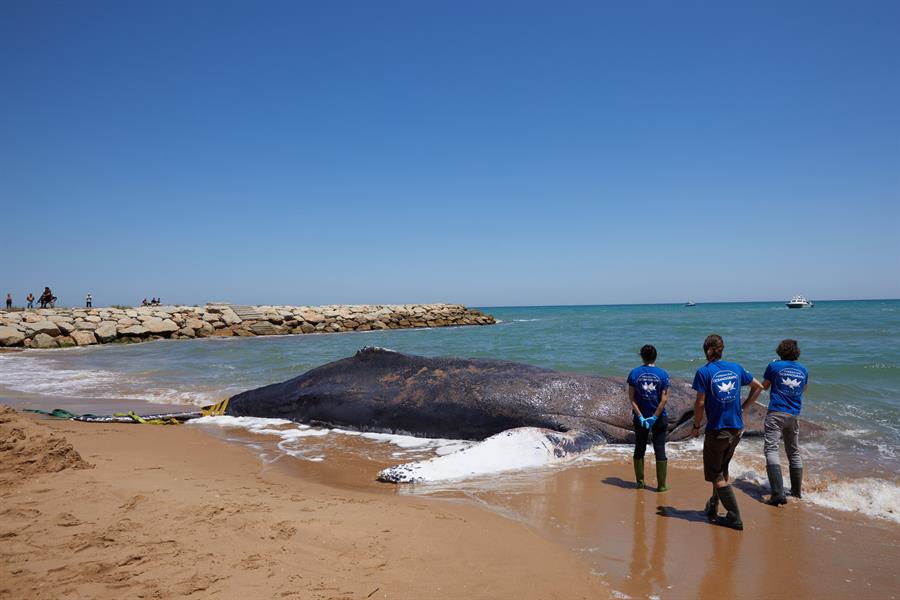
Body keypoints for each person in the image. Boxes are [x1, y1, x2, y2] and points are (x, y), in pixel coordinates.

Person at [690, 334, 763, 531]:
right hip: (737, 429)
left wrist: (696, 426)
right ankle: (714, 504)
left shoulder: (704, 372)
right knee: (722, 469)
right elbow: (759, 386)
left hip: (718, 429)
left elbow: (700, 402)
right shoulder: (736, 368)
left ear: (707, 351)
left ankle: (734, 516)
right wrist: (744, 407)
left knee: (714, 474)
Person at [761, 339, 809, 506]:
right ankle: (796, 492)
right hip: (794, 414)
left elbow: (764, 386)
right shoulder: (803, 369)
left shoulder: (773, 366)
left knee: (771, 449)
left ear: (780, 351)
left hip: (776, 412)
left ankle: (778, 493)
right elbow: (803, 389)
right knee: (793, 451)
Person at [626, 344, 671, 491]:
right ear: (655, 357)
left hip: (641, 418)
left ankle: (640, 482)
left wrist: (641, 417)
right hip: (659, 417)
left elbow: (631, 398)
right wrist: (654, 417)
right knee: (660, 448)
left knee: (640, 448)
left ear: (641, 356)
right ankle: (662, 486)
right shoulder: (663, 374)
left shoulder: (634, 373)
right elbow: (664, 400)